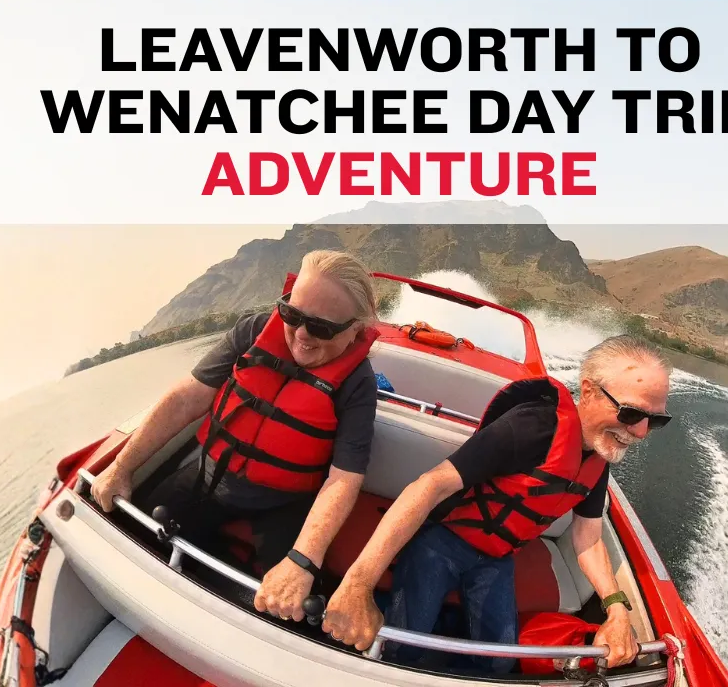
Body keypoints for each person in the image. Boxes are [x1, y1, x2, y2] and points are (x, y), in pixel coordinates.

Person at [320, 335, 674, 674]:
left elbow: (589, 536)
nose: (641, 432)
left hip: (497, 557)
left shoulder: (598, 456)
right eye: (630, 413)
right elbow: (430, 486)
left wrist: (615, 608)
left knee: (499, 665)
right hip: (443, 543)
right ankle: (349, 608)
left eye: (655, 420)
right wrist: (358, 582)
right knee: (403, 649)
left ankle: (442, 632)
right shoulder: (531, 427)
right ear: (589, 391)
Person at [90, 250, 380, 623]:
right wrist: (121, 467)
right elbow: (186, 398)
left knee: (294, 611)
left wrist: (302, 561)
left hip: (281, 501)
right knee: (123, 534)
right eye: (292, 315)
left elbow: (343, 479)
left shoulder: (357, 383)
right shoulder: (253, 331)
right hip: (205, 476)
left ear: (355, 328)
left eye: (322, 327)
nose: (302, 335)